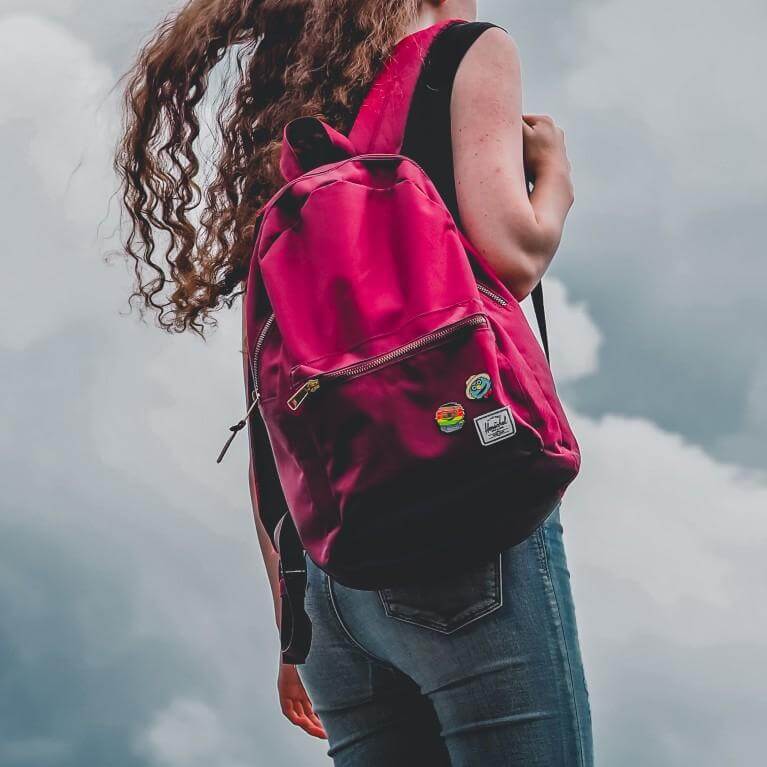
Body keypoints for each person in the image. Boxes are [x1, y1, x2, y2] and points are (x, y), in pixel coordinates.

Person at [116, 0, 592, 764]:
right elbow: (512, 252)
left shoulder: (299, 121)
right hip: (466, 531)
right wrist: (555, 171)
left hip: (328, 582)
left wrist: (292, 624)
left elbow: (272, 395)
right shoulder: (468, 51)